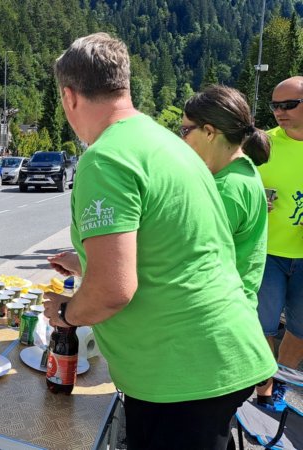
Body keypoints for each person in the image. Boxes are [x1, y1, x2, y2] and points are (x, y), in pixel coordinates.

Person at [43, 33, 275, 450]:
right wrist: (86, 263)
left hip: (181, 372)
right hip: (216, 354)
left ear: (69, 96)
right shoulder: (168, 143)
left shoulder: (106, 157)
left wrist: (65, 313)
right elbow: (178, 244)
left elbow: (112, 291)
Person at [181, 85, 271, 307]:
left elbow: (190, 260)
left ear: (209, 132)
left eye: (185, 131)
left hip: (215, 308)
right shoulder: (244, 168)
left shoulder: (224, 189)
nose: (182, 140)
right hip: (237, 304)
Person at [255, 76, 303, 411]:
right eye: (274, 105)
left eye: (288, 105)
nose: (279, 112)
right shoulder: (262, 145)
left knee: (299, 330)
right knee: (263, 326)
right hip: (267, 253)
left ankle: (280, 382)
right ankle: (264, 390)